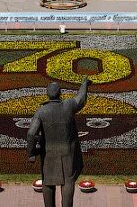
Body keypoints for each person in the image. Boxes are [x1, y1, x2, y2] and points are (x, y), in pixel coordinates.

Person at [28, 76, 90, 207]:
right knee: (68, 182)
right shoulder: (68, 106)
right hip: (68, 153)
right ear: (60, 93)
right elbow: (81, 98)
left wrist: (31, 152)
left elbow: (31, 134)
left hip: (48, 153)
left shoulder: (41, 111)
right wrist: (84, 83)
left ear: (47, 94)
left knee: (48, 182)